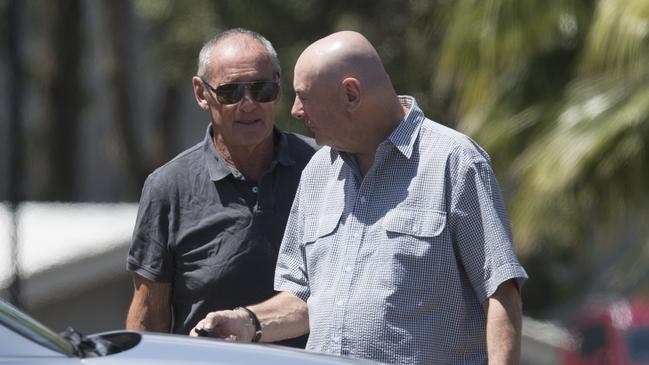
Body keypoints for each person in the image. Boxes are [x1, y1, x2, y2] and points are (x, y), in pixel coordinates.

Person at [191, 31, 528, 365]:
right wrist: (248, 322)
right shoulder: (317, 172)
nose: (294, 111)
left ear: (351, 94)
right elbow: (306, 299)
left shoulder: (454, 161)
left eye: (304, 97)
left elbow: (499, 293)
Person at [125, 28, 316, 348]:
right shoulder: (168, 187)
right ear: (201, 93)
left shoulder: (324, 168)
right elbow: (148, 316)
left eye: (262, 89)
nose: (248, 104)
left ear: (279, 89)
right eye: (230, 92)